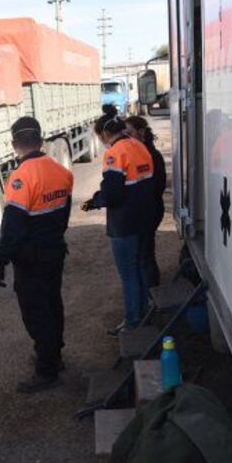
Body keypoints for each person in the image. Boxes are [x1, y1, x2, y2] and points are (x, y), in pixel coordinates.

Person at [0, 116, 74, 394]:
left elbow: (12, 230)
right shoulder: (61, 171)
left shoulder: (20, 178)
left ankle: (46, 369)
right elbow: (63, 215)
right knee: (53, 304)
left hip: (31, 260)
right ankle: (54, 355)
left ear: (15, 145)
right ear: (41, 141)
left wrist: (0, 260)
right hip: (54, 252)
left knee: (36, 313)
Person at [81, 105, 155, 334]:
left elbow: (113, 194)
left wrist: (96, 200)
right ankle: (143, 314)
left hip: (124, 224)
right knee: (139, 269)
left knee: (128, 273)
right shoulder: (139, 146)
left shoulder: (114, 153)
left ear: (104, 134)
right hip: (144, 219)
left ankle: (133, 322)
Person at [124, 116, 167, 288]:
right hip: (146, 210)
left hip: (149, 210)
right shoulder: (140, 153)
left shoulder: (151, 155)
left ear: (141, 132)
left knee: (145, 254)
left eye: (129, 133)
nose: (126, 137)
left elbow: (157, 187)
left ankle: (151, 291)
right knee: (144, 252)